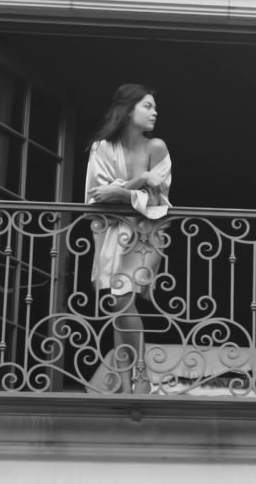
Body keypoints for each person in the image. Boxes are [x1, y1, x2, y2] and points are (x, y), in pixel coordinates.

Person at [85, 83, 171, 393]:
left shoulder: (156, 147)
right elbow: (96, 198)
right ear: (127, 110)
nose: (154, 112)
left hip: (148, 235)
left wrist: (122, 191)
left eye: (154, 107)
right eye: (147, 106)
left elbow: (159, 201)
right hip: (111, 233)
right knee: (116, 305)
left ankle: (141, 375)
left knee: (122, 297)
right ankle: (125, 384)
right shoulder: (102, 149)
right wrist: (141, 180)